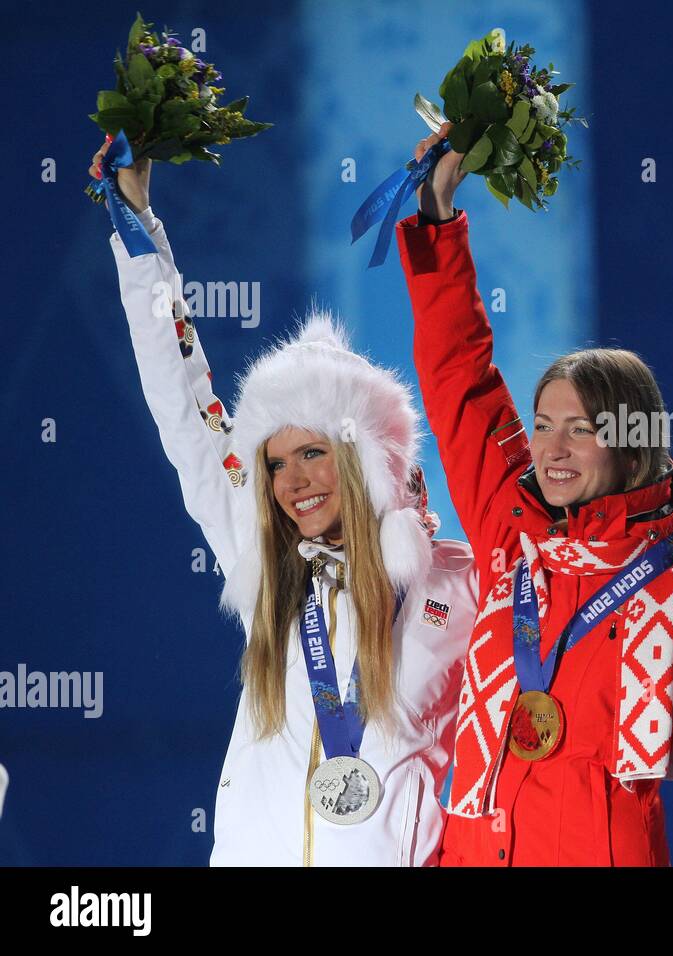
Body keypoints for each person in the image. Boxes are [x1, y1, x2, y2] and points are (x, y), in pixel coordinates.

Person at [91, 135, 476, 866]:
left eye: (314, 454)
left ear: (364, 459)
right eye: (276, 463)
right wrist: (140, 233)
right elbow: (185, 409)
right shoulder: (268, 569)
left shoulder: (454, 585)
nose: (295, 482)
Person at [392, 124, 673, 865]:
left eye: (580, 430)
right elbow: (461, 377)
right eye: (544, 425)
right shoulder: (509, 527)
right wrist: (438, 218)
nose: (550, 448)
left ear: (631, 439)